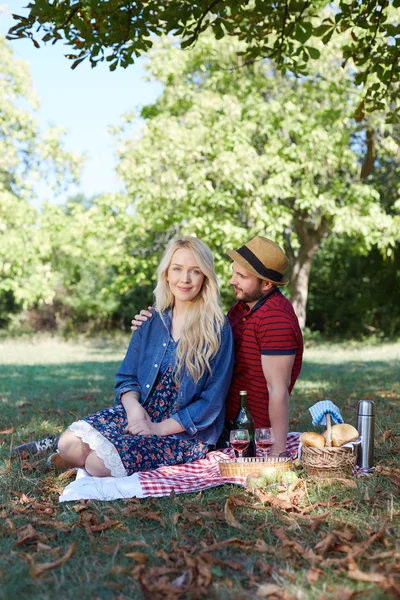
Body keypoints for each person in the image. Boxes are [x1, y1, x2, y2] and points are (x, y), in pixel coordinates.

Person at [52, 236, 234, 477]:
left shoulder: (217, 328)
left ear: (205, 278)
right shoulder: (151, 321)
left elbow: (210, 402)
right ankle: (78, 456)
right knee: (67, 443)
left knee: (97, 464)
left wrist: (157, 429)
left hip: (182, 432)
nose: (185, 279)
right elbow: (126, 377)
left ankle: (88, 460)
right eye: (177, 269)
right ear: (166, 274)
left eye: (195, 271)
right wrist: (135, 410)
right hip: (141, 413)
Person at [132, 236, 303, 457]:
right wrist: (152, 321)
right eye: (234, 272)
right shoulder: (241, 309)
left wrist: (277, 451)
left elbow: (278, 390)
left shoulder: (275, 318)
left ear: (267, 284)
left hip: (248, 432)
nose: (232, 280)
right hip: (224, 421)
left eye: (241, 276)